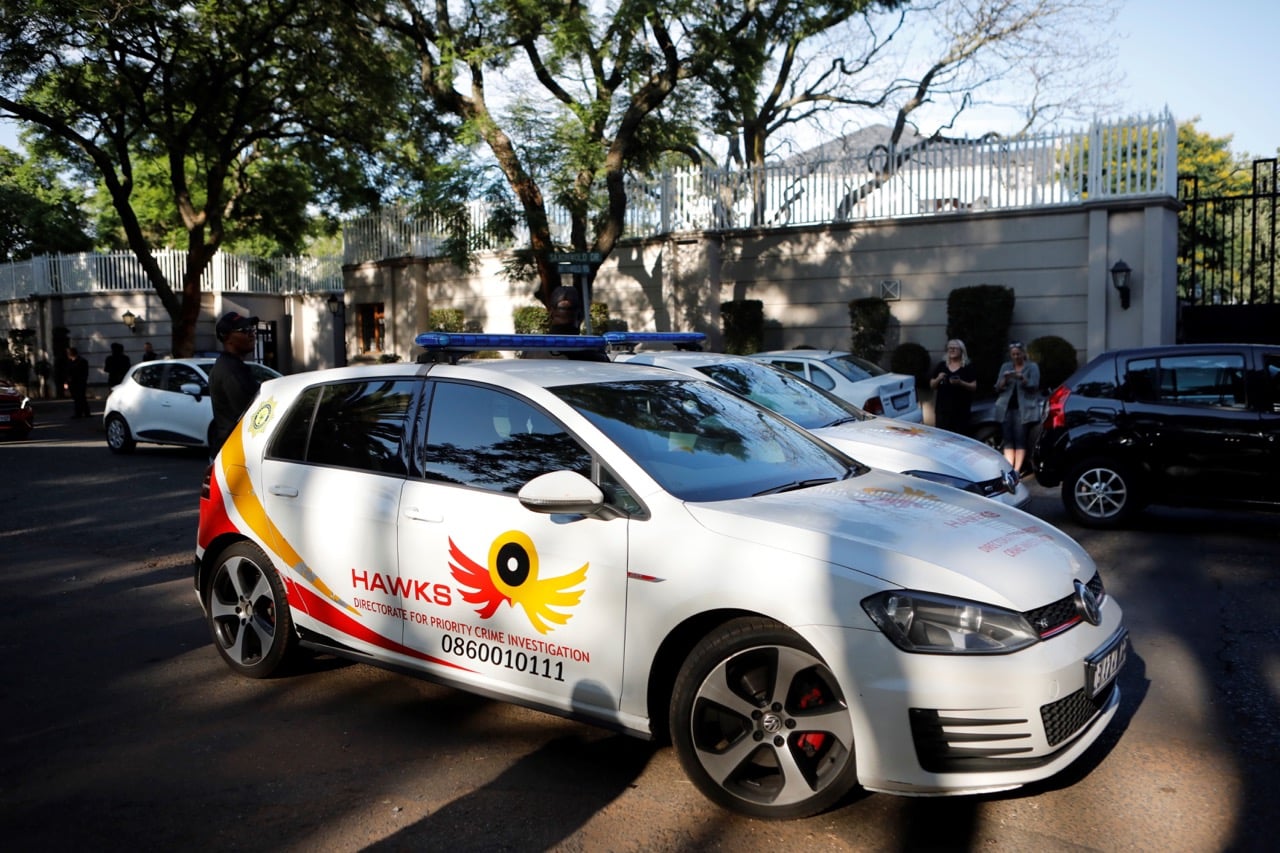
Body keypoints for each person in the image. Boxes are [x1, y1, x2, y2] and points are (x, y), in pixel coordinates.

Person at [208, 312, 261, 456]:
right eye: (244, 331)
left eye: (252, 330)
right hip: (236, 453)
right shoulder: (231, 370)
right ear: (228, 338)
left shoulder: (231, 365)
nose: (251, 334)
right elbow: (253, 412)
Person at [993, 340, 1041, 474]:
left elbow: (1034, 386)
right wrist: (1006, 379)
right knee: (1008, 439)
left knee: (1020, 439)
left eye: (1018, 354)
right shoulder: (1006, 366)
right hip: (1006, 408)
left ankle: (1017, 470)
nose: (1016, 357)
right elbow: (997, 387)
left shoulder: (1032, 367)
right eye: (1013, 354)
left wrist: (1023, 379)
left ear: (1023, 354)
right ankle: (1009, 468)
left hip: (1023, 409)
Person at [929, 339, 977, 434]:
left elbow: (974, 386)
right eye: (949, 348)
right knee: (942, 437)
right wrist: (938, 378)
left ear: (961, 350)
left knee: (960, 437)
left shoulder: (967, 367)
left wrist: (961, 383)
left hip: (961, 411)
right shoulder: (942, 366)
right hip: (943, 411)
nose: (952, 350)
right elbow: (932, 385)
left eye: (954, 348)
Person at [66, 347, 90, 418]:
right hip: (72, 383)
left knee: (81, 398)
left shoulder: (82, 361)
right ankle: (81, 412)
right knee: (77, 398)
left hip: (79, 382)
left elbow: (84, 373)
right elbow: (68, 372)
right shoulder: (70, 362)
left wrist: (82, 380)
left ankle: (82, 413)